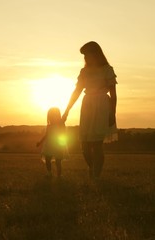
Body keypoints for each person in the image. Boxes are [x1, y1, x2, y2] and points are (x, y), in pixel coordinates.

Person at [62, 41, 117, 179]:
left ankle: (95, 176)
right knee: (85, 146)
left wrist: (112, 113)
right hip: (87, 106)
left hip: (102, 106)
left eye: (87, 54)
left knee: (97, 145)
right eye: (84, 55)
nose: (85, 58)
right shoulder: (84, 72)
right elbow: (76, 91)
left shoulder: (107, 69)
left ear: (96, 54)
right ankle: (93, 168)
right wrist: (67, 109)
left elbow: (114, 95)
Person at [37, 107, 68, 177]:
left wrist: (62, 145)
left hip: (58, 145)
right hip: (49, 145)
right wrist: (40, 142)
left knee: (58, 161)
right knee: (48, 159)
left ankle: (59, 175)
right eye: (51, 116)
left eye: (55, 115)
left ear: (58, 116)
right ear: (49, 117)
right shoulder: (49, 126)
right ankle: (49, 172)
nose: (53, 117)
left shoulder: (61, 125)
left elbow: (63, 134)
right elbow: (46, 135)